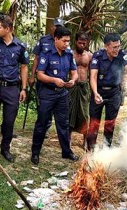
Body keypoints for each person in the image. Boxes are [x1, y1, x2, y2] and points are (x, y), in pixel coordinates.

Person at [0, 14, 29, 163]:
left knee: (9, 122)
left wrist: (23, 89)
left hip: (11, 89)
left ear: (7, 28)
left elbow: (24, 67)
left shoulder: (20, 47)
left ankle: (5, 149)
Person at [31, 27, 79, 165]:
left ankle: (66, 151)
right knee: (42, 123)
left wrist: (72, 80)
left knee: (63, 123)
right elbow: (40, 75)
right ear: (56, 39)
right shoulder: (46, 53)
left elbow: (74, 72)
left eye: (68, 41)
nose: (67, 44)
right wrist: (53, 80)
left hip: (62, 94)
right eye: (64, 41)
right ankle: (35, 152)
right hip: (47, 93)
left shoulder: (69, 54)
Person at [86, 33, 127, 151]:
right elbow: (93, 76)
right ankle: (90, 150)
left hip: (114, 93)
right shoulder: (97, 56)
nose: (117, 49)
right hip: (99, 91)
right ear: (106, 46)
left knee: (110, 123)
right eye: (114, 47)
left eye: (118, 46)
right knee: (94, 123)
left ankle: (106, 150)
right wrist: (95, 93)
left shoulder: (122, 55)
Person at [28, 18, 65, 138]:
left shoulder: (64, 41)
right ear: (51, 27)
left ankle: (46, 127)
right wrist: (32, 76)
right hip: (43, 80)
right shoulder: (44, 40)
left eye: (60, 26)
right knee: (42, 106)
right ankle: (42, 127)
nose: (58, 28)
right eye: (56, 26)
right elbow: (37, 59)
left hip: (58, 82)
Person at [69, 32, 93, 148]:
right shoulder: (69, 54)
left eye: (84, 43)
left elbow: (93, 74)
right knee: (70, 112)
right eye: (80, 43)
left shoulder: (89, 56)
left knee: (85, 114)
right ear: (76, 41)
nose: (82, 45)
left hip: (84, 87)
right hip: (72, 87)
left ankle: (85, 141)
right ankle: (67, 139)